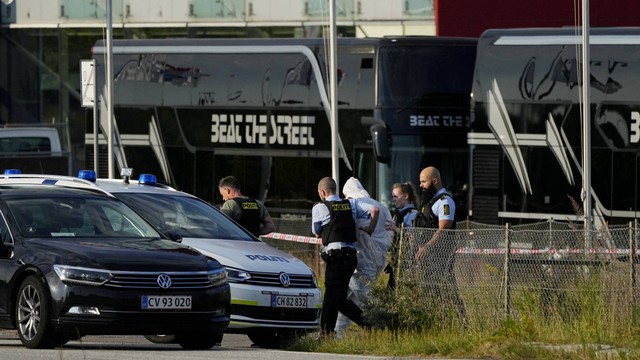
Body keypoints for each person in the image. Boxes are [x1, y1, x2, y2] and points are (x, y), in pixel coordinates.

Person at [312, 177, 379, 335]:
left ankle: (367, 324)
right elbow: (375, 210)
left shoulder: (320, 207)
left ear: (322, 192)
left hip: (336, 257)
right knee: (336, 296)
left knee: (334, 297)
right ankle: (329, 333)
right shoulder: (351, 203)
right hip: (350, 257)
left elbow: (316, 232)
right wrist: (370, 228)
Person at [335, 177, 393, 337]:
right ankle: (337, 333)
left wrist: (367, 231)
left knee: (361, 293)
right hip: (378, 257)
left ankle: (384, 324)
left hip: (361, 257)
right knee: (349, 298)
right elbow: (390, 230)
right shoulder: (380, 204)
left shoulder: (355, 204)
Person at [414, 166, 467, 324]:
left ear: (435, 181)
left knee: (448, 289)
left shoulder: (445, 202)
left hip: (441, 255)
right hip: (427, 256)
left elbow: (443, 228)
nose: (421, 185)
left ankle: (462, 322)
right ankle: (433, 322)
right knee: (429, 290)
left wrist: (427, 246)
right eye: (420, 182)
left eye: (424, 181)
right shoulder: (427, 202)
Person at [384, 181, 420, 290]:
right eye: (393, 196)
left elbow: (412, 235)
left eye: (396, 196)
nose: (394, 199)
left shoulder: (412, 213)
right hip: (397, 256)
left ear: (405, 196)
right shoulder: (398, 213)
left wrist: (395, 229)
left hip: (406, 258)